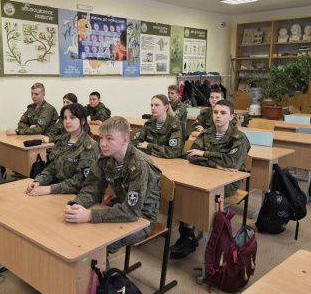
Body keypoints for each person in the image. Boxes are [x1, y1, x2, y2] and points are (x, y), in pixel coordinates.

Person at [31, 103, 100, 294]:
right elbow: (51, 168)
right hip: (56, 195)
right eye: (65, 117)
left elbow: (80, 182)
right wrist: (39, 181)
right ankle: (49, 278)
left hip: (79, 199)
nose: (67, 121)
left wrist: (49, 189)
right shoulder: (62, 140)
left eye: (72, 117)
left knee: (65, 244)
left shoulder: (89, 147)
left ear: (83, 120)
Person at [64, 115, 161, 254]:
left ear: (125, 140)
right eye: (101, 138)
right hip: (120, 206)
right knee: (78, 232)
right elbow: (91, 189)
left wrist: (90, 215)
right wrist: (76, 205)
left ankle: (99, 267)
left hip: (142, 216)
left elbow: (132, 212)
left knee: (97, 244)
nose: (102, 144)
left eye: (109, 138)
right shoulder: (105, 158)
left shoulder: (139, 164)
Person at [170, 100, 251, 259]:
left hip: (228, 182)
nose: (218, 116)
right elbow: (191, 156)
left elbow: (232, 163)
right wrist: (216, 164)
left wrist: (205, 154)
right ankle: (187, 235)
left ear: (231, 116)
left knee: (198, 195)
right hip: (204, 176)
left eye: (223, 113)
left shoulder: (238, 138)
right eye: (215, 112)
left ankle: (204, 236)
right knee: (186, 190)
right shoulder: (206, 134)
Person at [132, 94, 183, 159]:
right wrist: (151, 151)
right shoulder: (149, 123)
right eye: (151, 105)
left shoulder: (176, 125)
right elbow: (133, 143)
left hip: (171, 162)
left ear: (166, 107)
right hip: (152, 159)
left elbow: (173, 151)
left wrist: (149, 146)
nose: (153, 108)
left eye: (157, 105)